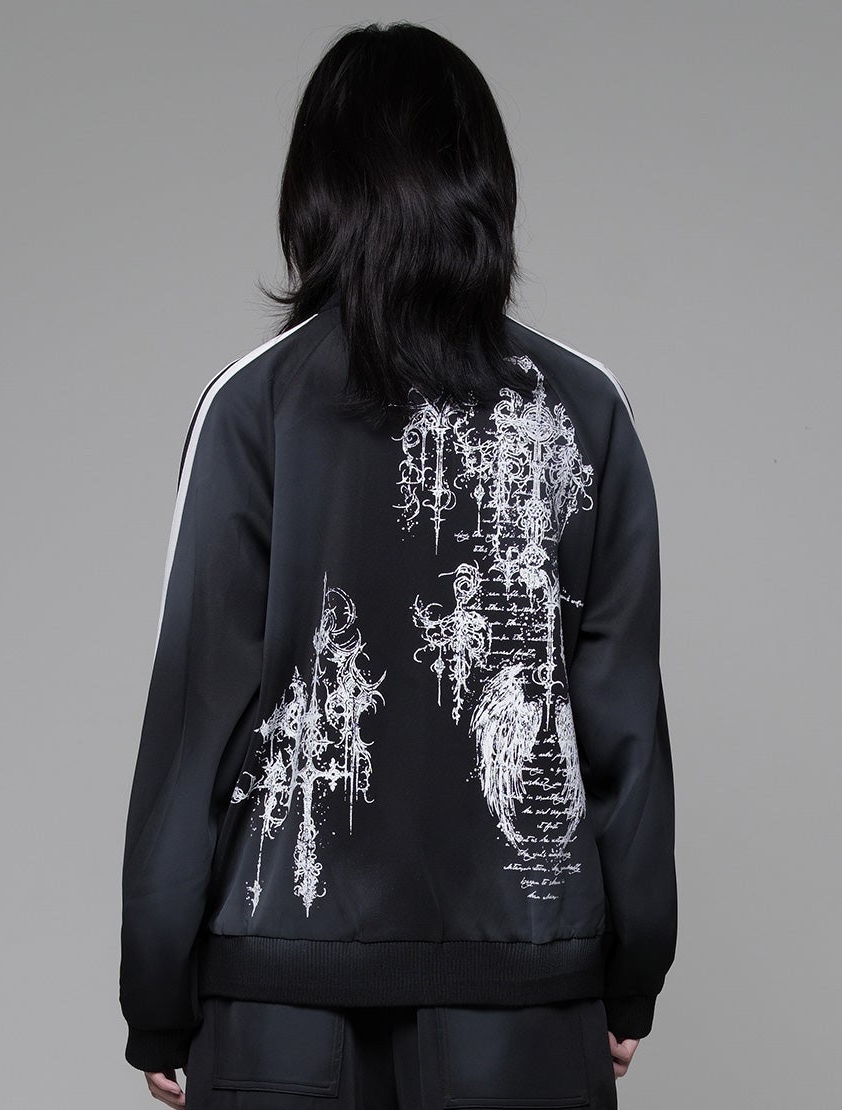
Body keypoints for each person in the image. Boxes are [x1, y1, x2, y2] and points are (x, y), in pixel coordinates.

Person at [118, 19, 677, 1109]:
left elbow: (194, 724)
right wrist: (630, 975)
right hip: (527, 1007)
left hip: (280, 1012)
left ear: (315, 193)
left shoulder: (254, 407)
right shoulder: (579, 410)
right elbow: (624, 727)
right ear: (485, 185)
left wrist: (157, 996)